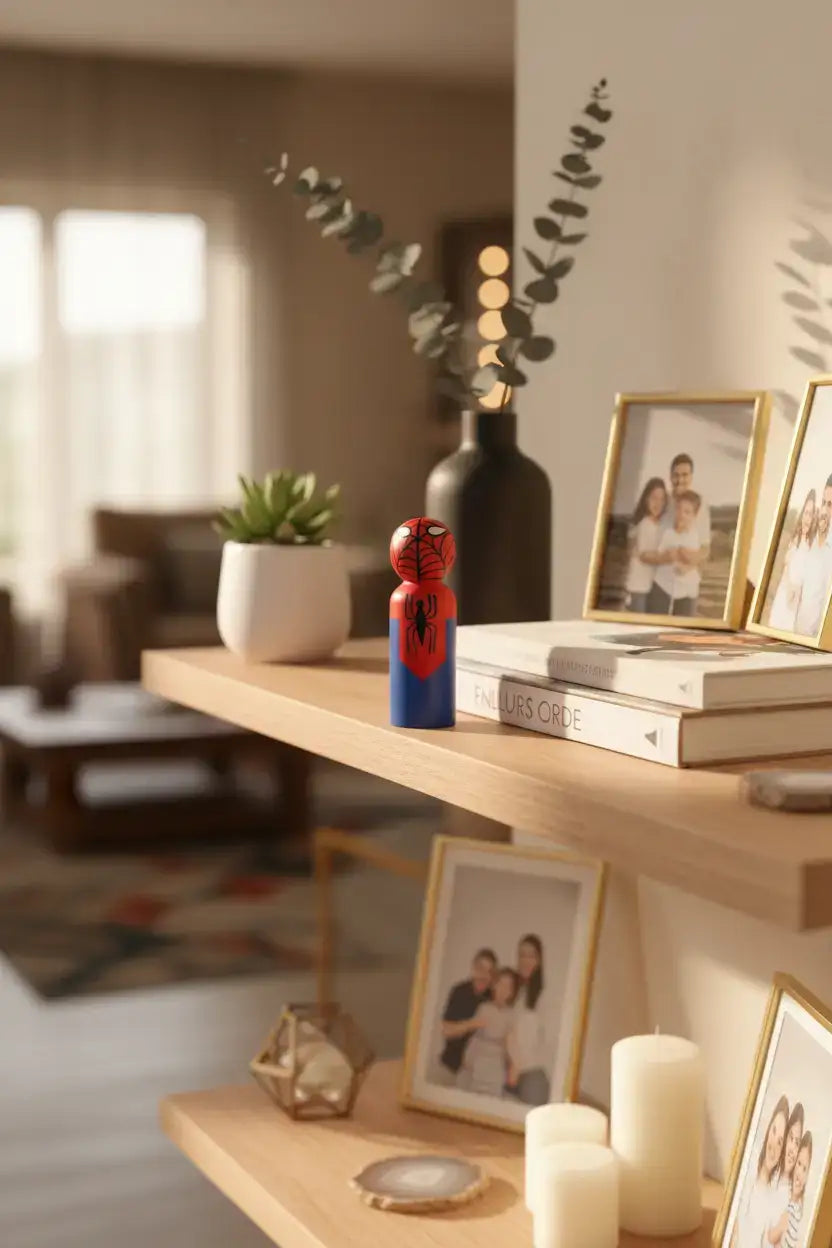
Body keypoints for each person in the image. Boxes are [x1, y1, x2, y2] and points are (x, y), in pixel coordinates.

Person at [732, 1096, 789, 1248]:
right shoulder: (745, 1175)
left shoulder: (773, 1201)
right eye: (774, 1131)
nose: (773, 1146)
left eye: (780, 1142)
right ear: (767, 1131)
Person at [435, 948, 497, 1085]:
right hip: (448, 1068)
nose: (484, 975)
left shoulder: (493, 999)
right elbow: (446, 1031)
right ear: (473, 968)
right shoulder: (459, 991)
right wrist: (471, 1024)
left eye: (489, 972)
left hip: (476, 1076)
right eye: (481, 969)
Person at [456, 967, 520, 1096]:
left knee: (491, 1093)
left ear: (512, 993)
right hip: (478, 1056)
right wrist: (467, 1057)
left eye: (507, 987)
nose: (503, 990)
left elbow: (511, 1044)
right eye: (500, 984)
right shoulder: (484, 1008)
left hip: (496, 1062)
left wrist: (514, 1067)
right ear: (493, 986)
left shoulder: (511, 1016)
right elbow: (474, 1034)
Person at [506, 934, 551, 1106]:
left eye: (531, 955)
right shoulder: (512, 991)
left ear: (539, 961)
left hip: (531, 1074)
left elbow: (543, 1043)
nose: (525, 960)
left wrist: (517, 1065)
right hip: (508, 1072)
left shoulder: (544, 996)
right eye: (522, 955)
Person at [646, 490, 703, 616]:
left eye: (687, 512)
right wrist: (666, 556)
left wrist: (687, 567)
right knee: (656, 618)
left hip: (686, 588)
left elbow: (695, 559)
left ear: (694, 515)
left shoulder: (694, 536)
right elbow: (658, 555)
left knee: (682, 623)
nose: (681, 515)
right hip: (663, 584)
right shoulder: (668, 533)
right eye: (679, 509)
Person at [768, 493, 816, 632]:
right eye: (806, 513)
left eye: (811, 515)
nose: (808, 518)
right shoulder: (794, 540)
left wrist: (797, 592)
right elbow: (786, 567)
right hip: (784, 593)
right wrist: (789, 588)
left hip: (798, 599)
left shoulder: (812, 546)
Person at [795, 474, 832, 637]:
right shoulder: (811, 539)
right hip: (796, 633)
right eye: (823, 503)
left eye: (830, 505)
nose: (824, 510)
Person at [625, 477, 668, 612]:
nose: (658, 503)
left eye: (662, 499)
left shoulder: (658, 524)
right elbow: (645, 556)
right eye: (654, 498)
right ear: (646, 499)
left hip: (646, 586)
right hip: (637, 586)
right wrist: (670, 557)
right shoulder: (645, 524)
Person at [766, 1103, 805, 1246]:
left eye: (797, 1142)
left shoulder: (792, 1201)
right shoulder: (770, 1175)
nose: (792, 1149)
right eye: (791, 1138)